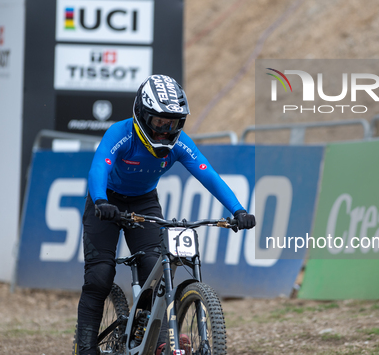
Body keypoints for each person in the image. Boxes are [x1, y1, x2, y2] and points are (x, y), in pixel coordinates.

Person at [75, 74, 256, 355]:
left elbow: (209, 176)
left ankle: (156, 339)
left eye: (172, 124)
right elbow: (99, 167)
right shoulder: (120, 133)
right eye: (159, 122)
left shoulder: (179, 144)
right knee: (100, 275)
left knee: (156, 269)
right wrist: (100, 200)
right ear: (142, 115)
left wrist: (238, 210)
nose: (164, 131)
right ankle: (84, 347)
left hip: (143, 202)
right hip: (106, 200)